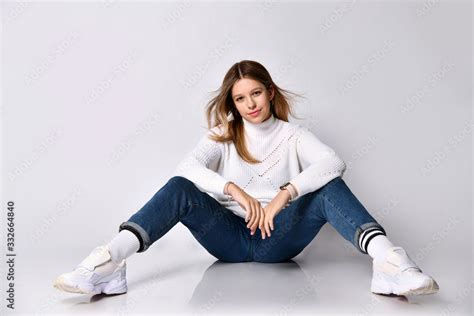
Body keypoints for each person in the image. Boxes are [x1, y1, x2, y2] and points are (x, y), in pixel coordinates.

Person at [54, 60, 439, 297]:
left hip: (278, 240)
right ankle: (108, 264)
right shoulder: (223, 135)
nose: (251, 104)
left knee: (328, 188)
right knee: (180, 188)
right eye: (241, 98)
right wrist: (233, 189)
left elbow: (333, 162)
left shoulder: (293, 136)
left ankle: (391, 264)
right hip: (228, 239)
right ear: (232, 103)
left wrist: (284, 194)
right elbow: (186, 167)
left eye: (256, 93)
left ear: (270, 93)